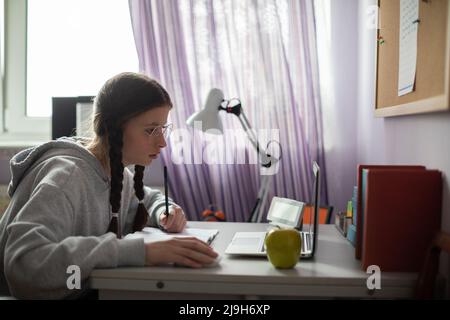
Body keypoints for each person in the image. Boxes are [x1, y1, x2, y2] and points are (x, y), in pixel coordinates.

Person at [0, 72, 218, 299]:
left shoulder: (115, 173)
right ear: (113, 128)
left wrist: (164, 210)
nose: (162, 142)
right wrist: (141, 252)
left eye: (163, 128)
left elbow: (145, 198)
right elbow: (25, 266)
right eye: (150, 130)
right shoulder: (66, 178)